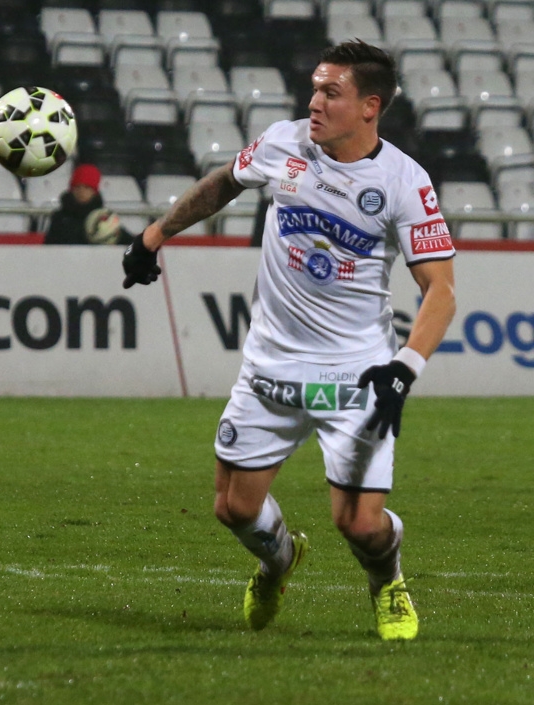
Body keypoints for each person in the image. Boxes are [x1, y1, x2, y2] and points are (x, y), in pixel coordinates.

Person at [122, 40, 456, 641]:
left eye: (332, 92)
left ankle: (388, 583)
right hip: (271, 366)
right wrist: (156, 233)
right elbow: (225, 182)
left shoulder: (405, 181)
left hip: (356, 376)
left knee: (358, 524)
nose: (315, 102)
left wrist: (404, 367)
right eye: (315, 88)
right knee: (234, 508)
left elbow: (442, 292)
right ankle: (278, 562)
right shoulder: (284, 142)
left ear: (369, 107)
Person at [43, 163, 132, 246]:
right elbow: (49, 247)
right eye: (77, 187)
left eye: (87, 187)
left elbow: (124, 239)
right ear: (71, 189)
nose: (81, 191)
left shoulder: (103, 217)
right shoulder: (59, 218)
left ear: (94, 191)